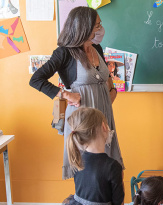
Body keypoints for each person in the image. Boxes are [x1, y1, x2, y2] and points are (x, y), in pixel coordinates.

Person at [29, 6, 124, 180]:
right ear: (84, 27)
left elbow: (104, 74)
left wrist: (112, 89)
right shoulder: (64, 53)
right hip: (83, 116)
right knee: (87, 169)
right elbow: (36, 80)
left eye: (99, 24)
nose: (100, 28)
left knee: (109, 167)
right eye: (97, 25)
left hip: (104, 113)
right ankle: (89, 204)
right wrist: (65, 94)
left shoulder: (97, 48)